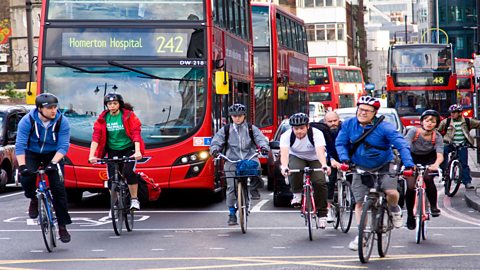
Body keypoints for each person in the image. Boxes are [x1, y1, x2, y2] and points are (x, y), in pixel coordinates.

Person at [335, 96, 414, 251]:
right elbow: (340, 143)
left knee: (390, 191)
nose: (362, 113)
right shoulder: (349, 124)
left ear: (375, 112)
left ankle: (394, 208)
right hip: (360, 165)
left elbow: (401, 144)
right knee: (359, 203)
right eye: (360, 109)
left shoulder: (385, 127)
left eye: (367, 111)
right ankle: (362, 234)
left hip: (385, 164)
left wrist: (409, 164)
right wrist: (344, 160)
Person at [15, 93, 72, 243]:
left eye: (55, 107)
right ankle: (33, 198)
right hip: (31, 152)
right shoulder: (27, 121)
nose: (54, 110)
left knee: (59, 190)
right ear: (40, 108)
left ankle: (62, 226)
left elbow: (63, 145)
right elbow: (20, 145)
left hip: (53, 154)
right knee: (26, 178)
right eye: (50, 108)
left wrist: (54, 163)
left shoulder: (62, 121)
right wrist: (22, 167)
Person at [209, 104, 269, 225]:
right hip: (231, 160)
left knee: (256, 167)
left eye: (239, 116)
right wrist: (215, 150)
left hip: (249, 158)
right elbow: (216, 141)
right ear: (231, 117)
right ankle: (232, 213)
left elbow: (261, 139)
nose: (237, 118)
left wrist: (264, 147)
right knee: (231, 187)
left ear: (244, 116)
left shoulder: (251, 129)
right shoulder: (225, 130)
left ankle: (254, 187)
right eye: (234, 116)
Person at [88, 92, 145, 210]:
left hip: (128, 149)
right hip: (112, 150)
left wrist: (138, 151)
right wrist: (91, 155)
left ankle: (134, 199)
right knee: (112, 179)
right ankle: (115, 205)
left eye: (115, 103)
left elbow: (136, 134)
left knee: (129, 173)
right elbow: (96, 137)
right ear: (106, 106)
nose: (112, 106)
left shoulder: (128, 115)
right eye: (109, 104)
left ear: (119, 104)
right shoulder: (103, 118)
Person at [279, 113, 331, 229]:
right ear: (292, 128)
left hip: (315, 157)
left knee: (319, 181)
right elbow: (284, 153)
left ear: (308, 126)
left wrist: (324, 165)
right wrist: (284, 167)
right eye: (296, 129)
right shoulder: (286, 136)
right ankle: (297, 193)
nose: (299, 132)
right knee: (294, 169)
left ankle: (322, 214)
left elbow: (320, 151)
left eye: (302, 128)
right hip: (297, 156)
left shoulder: (316, 134)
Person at [404, 110, 443, 230]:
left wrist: (436, 165)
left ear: (436, 124)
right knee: (410, 186)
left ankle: (433, 206)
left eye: (433, 121)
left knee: (428, 177)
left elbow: (440, 154)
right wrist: (409, 163)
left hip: (429, 159)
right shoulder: (413, 132)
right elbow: (405, 147)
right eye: (427, 121)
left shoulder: (437, 136)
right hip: (412, 157)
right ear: (422, 122)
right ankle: (410, 216)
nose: (429, 123)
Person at [437, 104, 480, 190]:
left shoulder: (467, 121)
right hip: (449, 144)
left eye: (454, 112)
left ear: (460, 113)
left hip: (462, 145)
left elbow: (478, 124)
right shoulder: (447, 121)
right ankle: (444, 169)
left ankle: (467, 182)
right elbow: (437, 131)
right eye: (451, 112)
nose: (452, 114)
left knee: (464, 164)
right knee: (442, 152)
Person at [321, 111, 342, 222]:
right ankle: (328, 208)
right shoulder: (321, 131)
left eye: (335, 120)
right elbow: (323, 148)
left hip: (343, 155)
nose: (333, 123)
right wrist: (331, 159)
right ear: (325, 122)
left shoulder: (344, 128)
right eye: (330, 121)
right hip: (329, 156)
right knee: (330, 179)